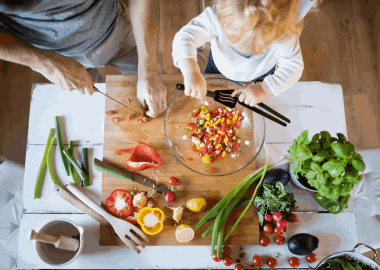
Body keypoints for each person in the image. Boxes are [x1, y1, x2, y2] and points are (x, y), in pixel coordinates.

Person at [0, 0, 167, 118]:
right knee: (92, 107)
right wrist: (46, 62)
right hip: (46, 53)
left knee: (156, 90)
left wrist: (149, 70)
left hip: (114, 28)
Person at [172, 0, 304, 107]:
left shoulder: (285, 34)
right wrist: (192, 72)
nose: (245, 51)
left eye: (259, 46)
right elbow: (185, 37)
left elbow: (293, 66)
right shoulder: (218, 14)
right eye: (235, 35)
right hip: (218, 69)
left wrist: (265, 89)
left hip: (260, 76)